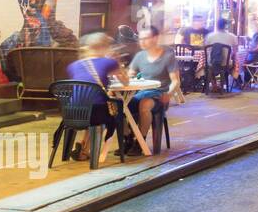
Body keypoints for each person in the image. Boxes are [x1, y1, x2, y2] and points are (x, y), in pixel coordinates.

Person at [65, 32, 125, 161]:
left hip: (72, 113)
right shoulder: (108, 62)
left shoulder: (73, 65)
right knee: (110, 110)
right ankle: (127, 140)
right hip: (95, 114)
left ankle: (83, 148)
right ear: (104, 47)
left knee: (94, 105)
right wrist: (117, 61)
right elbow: (125, 82)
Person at [128, 26, 181, 154]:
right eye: (140, 39)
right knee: (120, 106)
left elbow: (176, 81)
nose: (142, 42)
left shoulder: (167, 56)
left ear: (155, 38)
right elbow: (130, 75)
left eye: (146, 38)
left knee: (144, 104)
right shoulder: (139, 56)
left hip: (160, 94)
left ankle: (139, 142)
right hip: (142, 93)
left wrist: (168, 94)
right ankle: (127, 139)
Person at [204, 18, 239, 91]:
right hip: (226, 64)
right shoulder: (232, 36)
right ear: (226, 26)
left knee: (209, 64)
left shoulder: (210, 36)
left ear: (216, 26)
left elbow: (206, 49)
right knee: (233, 63)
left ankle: (214, 85)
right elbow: (236, 51)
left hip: (212, 63)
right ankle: (226, 84)